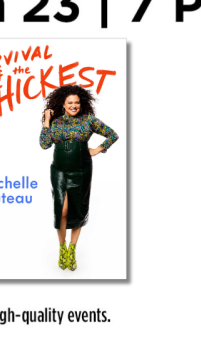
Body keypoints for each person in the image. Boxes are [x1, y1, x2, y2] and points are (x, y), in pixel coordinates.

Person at [39, 84, 118, 272]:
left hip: (81, 170)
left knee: (78, 209)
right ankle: (62, 248)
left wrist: (98, 149)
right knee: (62, 211)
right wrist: (47, 120)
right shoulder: (56, 122)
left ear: (80, 104)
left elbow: (112, 135)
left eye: (77, 102)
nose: (74, 105)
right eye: (70, 103)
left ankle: (72, 250)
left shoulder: (89, 120)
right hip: (59, 171)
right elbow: (44, 144)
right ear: (63, 105)